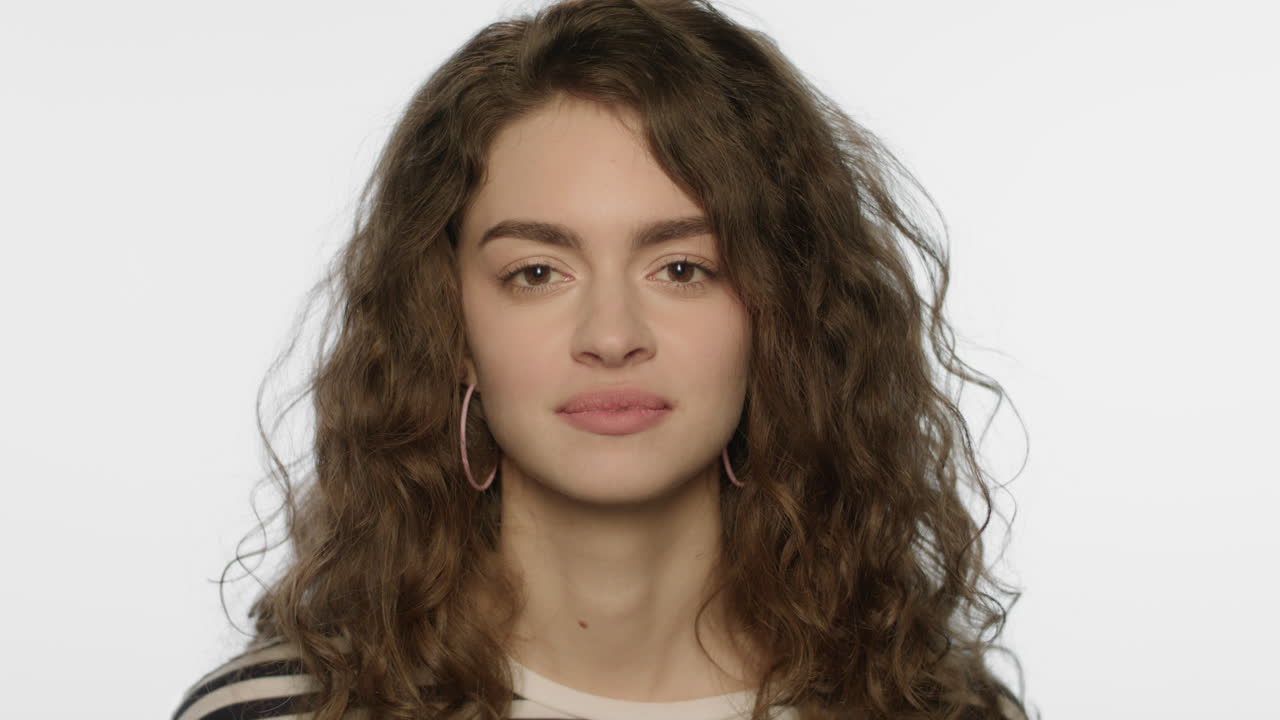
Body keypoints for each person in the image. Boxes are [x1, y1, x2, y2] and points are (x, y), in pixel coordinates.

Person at [170, 0, 1033, 718]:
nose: (612, 335)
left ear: (780, 313)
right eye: (537, 272)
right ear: (447, 322)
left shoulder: (932, 709)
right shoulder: (285, 712)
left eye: (683, 268)